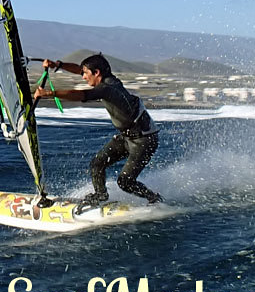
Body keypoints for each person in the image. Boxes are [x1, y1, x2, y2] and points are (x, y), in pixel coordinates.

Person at [33, 53, 163, 211]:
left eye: (86, 74)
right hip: (128, 136)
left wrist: (50, 94)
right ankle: (101, 195)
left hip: (144, 140)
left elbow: (82, 95)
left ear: (97, 73)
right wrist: (58, 65)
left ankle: (154, 199)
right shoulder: (106, 79)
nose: (83, 77)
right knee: (97, 163)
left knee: (125, 182)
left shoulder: (108, 88)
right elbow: (80, 70)